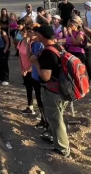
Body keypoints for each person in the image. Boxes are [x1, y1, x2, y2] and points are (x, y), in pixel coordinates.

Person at [30, 25, 70, 158]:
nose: (35, 35)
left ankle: (63, 149)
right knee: (56, 118)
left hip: (53, 91)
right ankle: (54, 138)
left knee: (56, 119)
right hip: (62, 89)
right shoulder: (58, 47)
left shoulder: (47, 52)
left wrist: (35, 63)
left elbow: (45, 76)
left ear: (41, 35)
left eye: (37, 33)